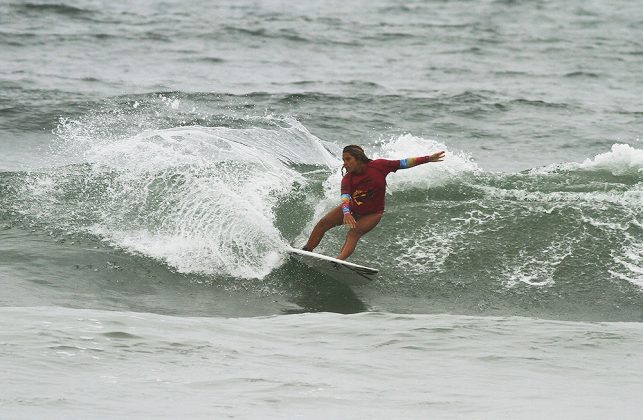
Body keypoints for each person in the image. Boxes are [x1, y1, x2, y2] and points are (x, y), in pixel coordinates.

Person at [303, 145, 446, 260]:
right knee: (323, 223)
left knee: (354, 233)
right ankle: (306, 251)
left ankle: (339, 261)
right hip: (353, 208)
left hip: (372, 213)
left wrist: (427, 158)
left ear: (358, 159)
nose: (345, 163)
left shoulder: (379, 166)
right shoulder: (348, 179)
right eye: (343, 160)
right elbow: (345, 197)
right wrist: (346, 212)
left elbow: (403, 163)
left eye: (348, 159)